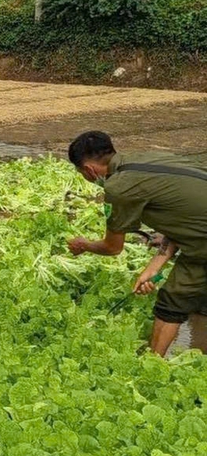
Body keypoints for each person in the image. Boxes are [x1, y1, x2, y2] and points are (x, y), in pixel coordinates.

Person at [66, 130, 207, 357]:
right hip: (200, 230)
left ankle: (150, 368)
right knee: (201, 301)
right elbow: (187, 217)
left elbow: (113, 247)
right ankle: (200, 357)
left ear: (88, 170)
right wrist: (153, 269)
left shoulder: (119, 187)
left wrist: (84, 245)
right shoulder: (145, 158)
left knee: (173, 299)